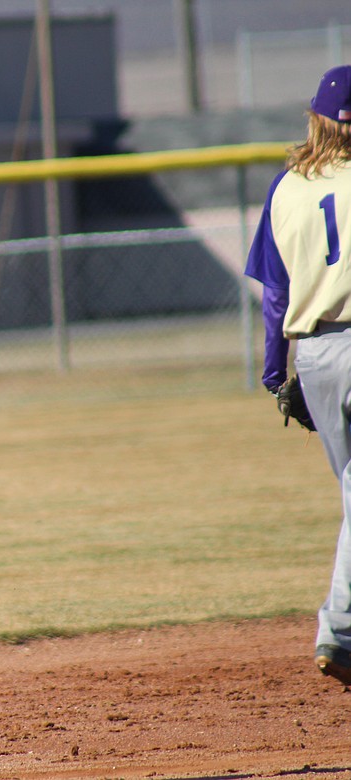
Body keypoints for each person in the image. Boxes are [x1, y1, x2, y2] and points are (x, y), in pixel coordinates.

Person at [245, 64, 351, 687]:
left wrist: (273, 372)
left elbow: (275, 296)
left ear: (315, 118)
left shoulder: (287, 187)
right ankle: (338, 631)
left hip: (313, 355)